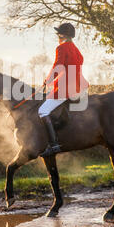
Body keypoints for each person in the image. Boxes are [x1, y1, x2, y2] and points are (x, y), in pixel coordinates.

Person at [38, 23, 89, 157]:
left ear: (62, 35)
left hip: (66, 89)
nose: (57, 36)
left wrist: (47, 81)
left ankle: (54, 145)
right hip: (80, 88)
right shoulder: (76, 50)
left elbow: (58, 66)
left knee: (42, 111)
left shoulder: (61, 48)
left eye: (58, 34)